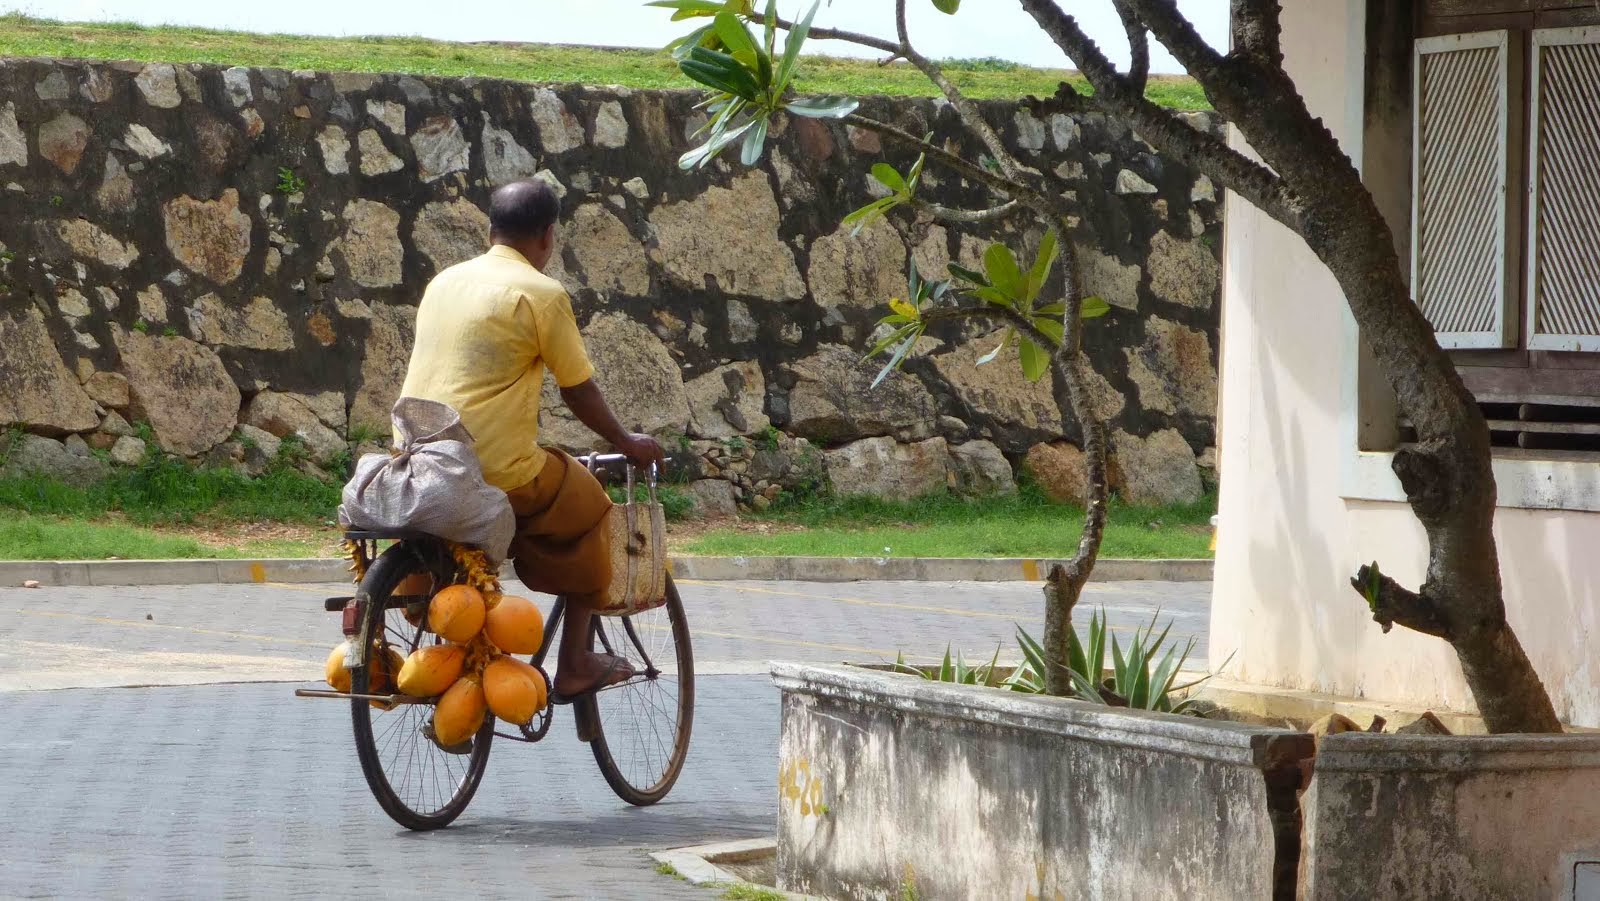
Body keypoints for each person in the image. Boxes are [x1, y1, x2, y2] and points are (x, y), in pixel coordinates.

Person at [398, 178, 664, 703]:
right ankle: (575, 663)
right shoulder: (540, 294)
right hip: (494, 469)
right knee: (591, 507)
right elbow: (579, 391)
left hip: (418, 459)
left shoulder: (444, 282)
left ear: (490, 228)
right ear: (548, 235)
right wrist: (625, 440)